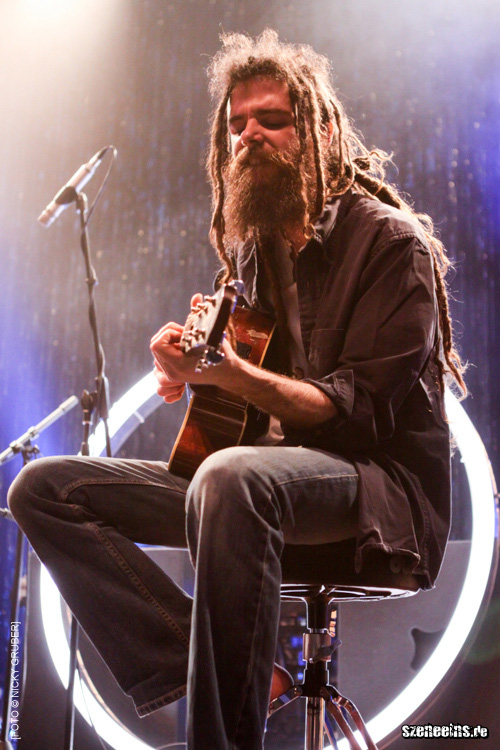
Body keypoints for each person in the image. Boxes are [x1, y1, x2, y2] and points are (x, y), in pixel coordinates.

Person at [8, 30, 466, 750]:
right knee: (42, 489)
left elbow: (356, 417)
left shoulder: (392, 245)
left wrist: (232, 373)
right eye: (236, 124)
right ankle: (204, 662)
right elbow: (237, 416)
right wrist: (187, 370)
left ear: (320, 132)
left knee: (229, 479)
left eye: (271, 120)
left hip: (375, 496)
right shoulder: (252, 254)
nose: (249, 135)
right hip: (247, 495)